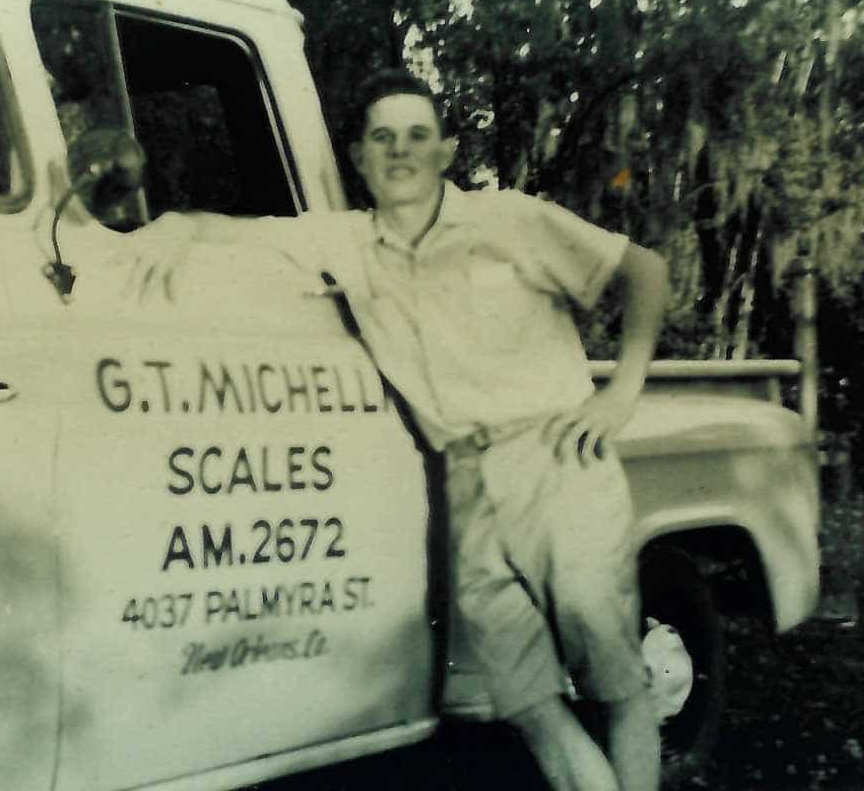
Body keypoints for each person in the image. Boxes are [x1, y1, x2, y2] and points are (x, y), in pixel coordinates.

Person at [128, 69, 669, 791]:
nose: (400, 151)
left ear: (446, 150)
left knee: (616, 681)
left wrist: (623, 390)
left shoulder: (507, 220)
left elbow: (646, 270)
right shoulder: (346, 245)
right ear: (358, 158)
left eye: (417, 136)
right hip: (468, 483)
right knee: (528, 701)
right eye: (382, 137)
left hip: (556, 464)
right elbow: (238, 235)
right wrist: (173, 225)